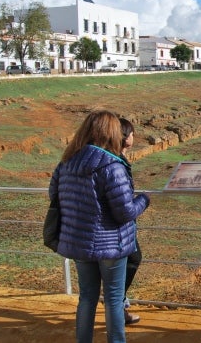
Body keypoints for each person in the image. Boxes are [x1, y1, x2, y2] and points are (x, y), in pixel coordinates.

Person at [49, 110, 150, 343]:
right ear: (111, 133)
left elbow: (54, 195)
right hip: (111, 244)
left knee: (86, 297)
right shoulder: (112, 165)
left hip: (78, 241)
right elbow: (125, 212)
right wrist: (144, 200)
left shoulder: (66, 162)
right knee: (114, 299)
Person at [119, 118, 142, 325]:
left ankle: (119, 306)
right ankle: (118, 310)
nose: (134, 137)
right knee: (132, 259)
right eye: (132, 133)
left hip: (112, 228)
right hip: (117, 229)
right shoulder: (116, 162)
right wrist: (143, 201)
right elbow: (123, 206)